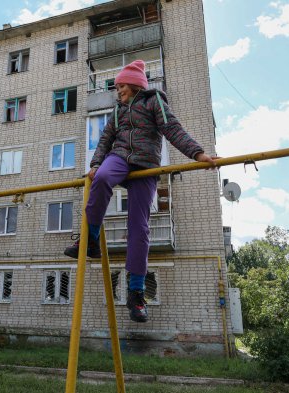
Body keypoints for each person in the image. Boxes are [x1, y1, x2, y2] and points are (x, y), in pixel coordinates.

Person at [63, 60, 218, 323]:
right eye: (117, 86)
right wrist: (96, 163)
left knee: (139, 227)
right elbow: (105, 140)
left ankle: (136, 294)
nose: (117, 89)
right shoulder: (117, 110)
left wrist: (198, 153)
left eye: (121, 85)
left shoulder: (153, 101)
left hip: (146, 165)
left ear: (135, 85)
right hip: (120, 157)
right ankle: (90, 239)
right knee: (100, 179)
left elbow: (172, 129)